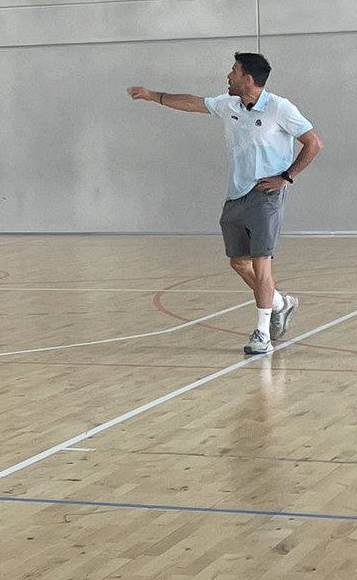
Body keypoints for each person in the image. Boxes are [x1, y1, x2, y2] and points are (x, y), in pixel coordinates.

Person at [127, 52, 323, 356]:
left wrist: (286, 176)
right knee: (239, 262)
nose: (228, 76)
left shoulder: (279, 108)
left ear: (248, 79)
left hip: (266, 194)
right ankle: (281, 304)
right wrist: (153, 96)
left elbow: (313, 143)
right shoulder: (229, 104)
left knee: (261, 262)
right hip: (237, 193)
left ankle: (262, 334)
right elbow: (193, 102)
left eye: (233, 71)